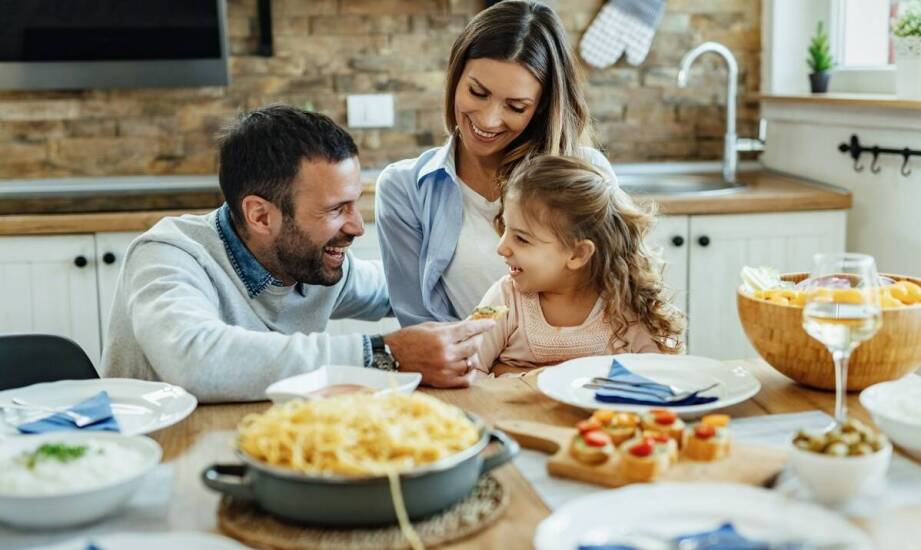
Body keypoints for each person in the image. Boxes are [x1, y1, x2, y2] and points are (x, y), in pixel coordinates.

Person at [101, 106, 494, 402]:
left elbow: (414, 288)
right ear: (260, 215)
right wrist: (384, 352)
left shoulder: (315, 265)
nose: (357, 226)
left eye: (355, 203)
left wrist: (525, 284)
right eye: (336, 209)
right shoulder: (168, 255)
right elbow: (195, 361)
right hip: (156, 463)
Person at [376, 0, 615, 327]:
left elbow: (625, 293)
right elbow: (422, 329)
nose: (489, 120)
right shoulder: (404, 189)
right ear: (455, 76)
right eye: (477, 92)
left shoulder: (589, 174)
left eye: (516, 107)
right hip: (470, 374)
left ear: (542, 107)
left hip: (573, 372)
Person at [471, 156, 685, 374]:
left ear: (578, 253)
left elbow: (660, 378)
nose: (501, 247)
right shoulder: (505, 299)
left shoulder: (625, 307)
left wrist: (510, 372)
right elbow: (468, 370)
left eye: (522, 239)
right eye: (505, 228)